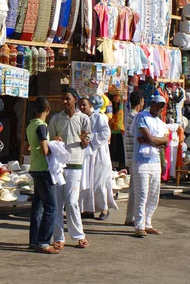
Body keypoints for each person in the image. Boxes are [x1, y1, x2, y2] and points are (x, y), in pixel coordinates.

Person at [48, 87, 91, 249]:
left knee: (72, 202)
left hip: (75, 165)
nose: (65, 102)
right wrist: (55, 139)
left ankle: (78, 235)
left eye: (68, 98)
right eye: (63, 99)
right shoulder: (56, 119)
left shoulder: (84, 119)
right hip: (58, 166)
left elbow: (86, 143)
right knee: (57, 203)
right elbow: (49, 141)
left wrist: (83, 139)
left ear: (75, 99)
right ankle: (59, 238)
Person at [132, 95, 169, 237]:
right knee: (142, 194)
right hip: (141, 161)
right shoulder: (142, 117)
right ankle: (139, 225)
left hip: (155, 161)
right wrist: (154, 141)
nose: (159, 108)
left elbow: (164, 141)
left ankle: (148, 223)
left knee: (154, 194)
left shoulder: (160, 122)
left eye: (162, 106)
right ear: (151, 103)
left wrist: (153, 141)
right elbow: (149, 138)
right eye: (157, 105)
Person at [26, 97, 59, 254]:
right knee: (51, 207)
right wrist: (56, 145)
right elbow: (45, 150)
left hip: (35, 167)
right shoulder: (41, 127)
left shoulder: (31, 125)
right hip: (44, 169)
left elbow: (30, 147)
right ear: (48, 109)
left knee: (37, 206)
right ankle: (44, 242)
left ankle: (34, 241)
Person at [79, 96, 118, 220]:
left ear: (90, 105)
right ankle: (87, 209)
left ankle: (104, 208)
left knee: (99, 182)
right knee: (86, 182)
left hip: (99, 153)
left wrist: (90, 138)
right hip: (86, 154)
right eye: (80, 105)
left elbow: (106, 133)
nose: (81, 107)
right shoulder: (80, 118)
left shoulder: (99, 117)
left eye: (84, 105)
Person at [124, 91, 144, 226]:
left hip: (132, 155)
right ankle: (131, 217)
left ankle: (130, 216)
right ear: (140, 101)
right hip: (135, 156)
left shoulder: (129, 116)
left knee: (134, 187)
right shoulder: (135, 117)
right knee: (136, 189)